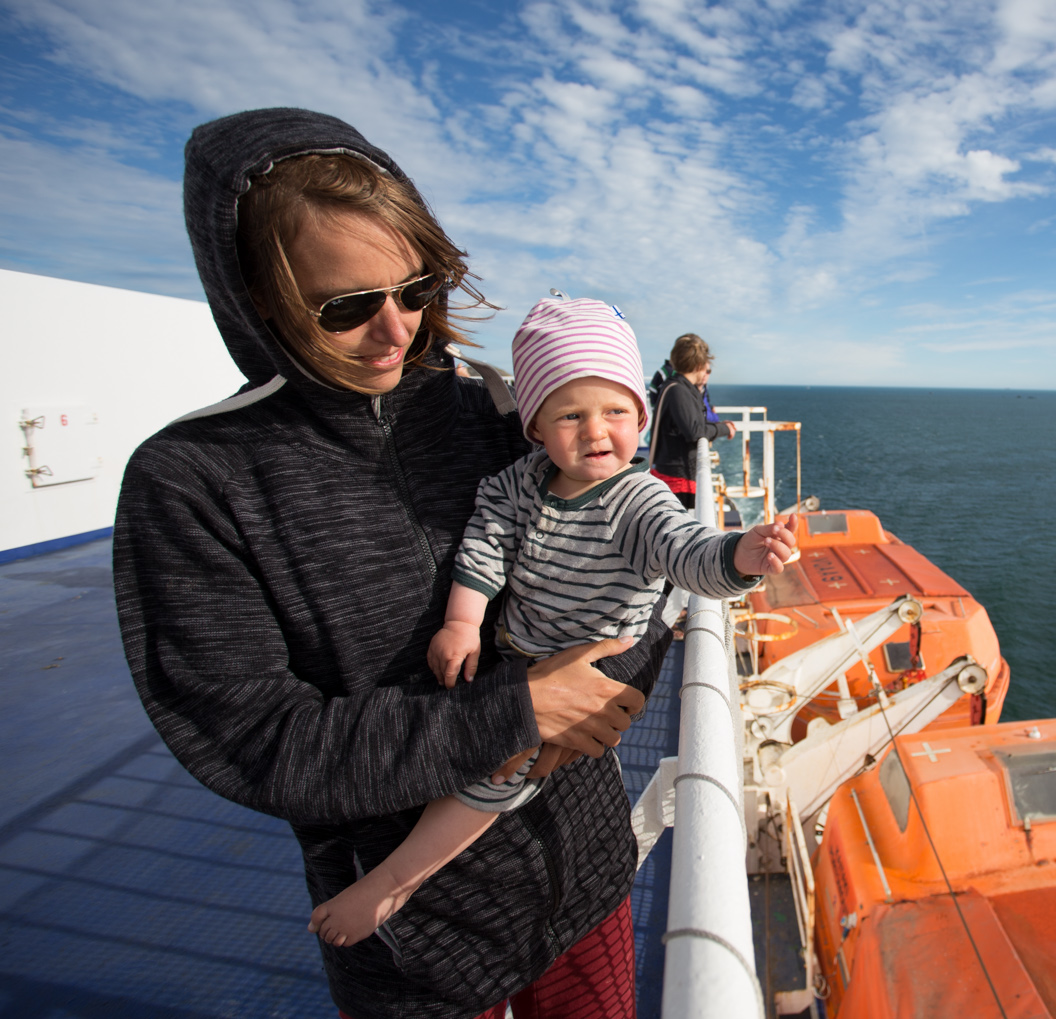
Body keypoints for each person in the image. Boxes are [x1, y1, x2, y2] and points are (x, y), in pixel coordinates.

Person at [114, 108, 663, 1019]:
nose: (396, 328)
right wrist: (513, 713)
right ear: (257, 298)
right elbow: (253, 738)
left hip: (585, 876)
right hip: (415, 945)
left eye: (417, 287)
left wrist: (601, 695)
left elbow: (631, 562)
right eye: (344, 307)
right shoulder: (194, 479)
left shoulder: (492, 408)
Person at [307, 298, 797, 947]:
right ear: (535, 425)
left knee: (491, 773)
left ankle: (393, 883)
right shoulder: (519, 482)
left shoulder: (638, 498)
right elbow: (483, 544)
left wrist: (740, 553)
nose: (597, 431)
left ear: (641, 417)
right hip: (517, 659)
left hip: (581, 677)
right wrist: (461, 622)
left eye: (616, 411)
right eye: (572, 414)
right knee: (461, 740)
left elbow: (686, 551)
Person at [649, 333, 734, 507]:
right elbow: (694, 431)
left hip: (679, 476)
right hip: (676, 480)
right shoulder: (678, 391)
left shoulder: (682, 388)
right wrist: (725, 429)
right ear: (698, 364)